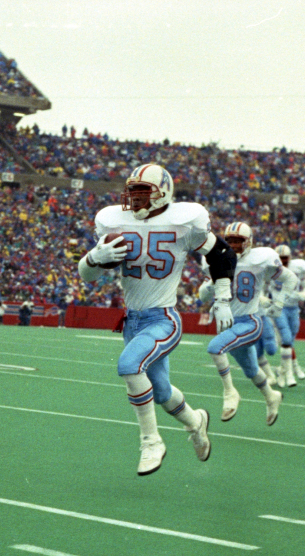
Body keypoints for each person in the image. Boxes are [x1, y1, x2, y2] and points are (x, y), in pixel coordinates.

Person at [77, 163, 235, 476]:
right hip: (132, 321)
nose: (133, 198)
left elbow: (222, 254)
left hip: (163, 318)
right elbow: (87, 276)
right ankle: (196, 423)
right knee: (161, 391)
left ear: (163, 193)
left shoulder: (183, 222)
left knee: (129, 366)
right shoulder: (114, 221)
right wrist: (94, 258)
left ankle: (151, 441)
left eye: (141, 191)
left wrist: (223, 297)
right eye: (131, 190)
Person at [199, 222, 292, 425]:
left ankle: (230, 393)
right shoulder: (215, 260)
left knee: (215, 348)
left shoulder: (260, 258)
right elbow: (202, 295)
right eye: (230, 240)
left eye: (238, 241)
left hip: (249, 322)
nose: (233, 245)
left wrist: (279, 302)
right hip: (228, 325)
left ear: (248, 242)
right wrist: (209, 286)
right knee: (251, 370)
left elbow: (290, 278)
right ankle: (271, 396)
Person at [271, 245, 305, 386]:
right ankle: (290, 374)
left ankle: (282, 372)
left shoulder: (298, 268)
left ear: (289, 257)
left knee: (291, 341)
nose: (282, 261)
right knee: (286, 339)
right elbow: (261, 287)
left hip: (294, 308)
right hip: (279, 307)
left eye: (285, 258)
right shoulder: (269, 268)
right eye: (280, 258)